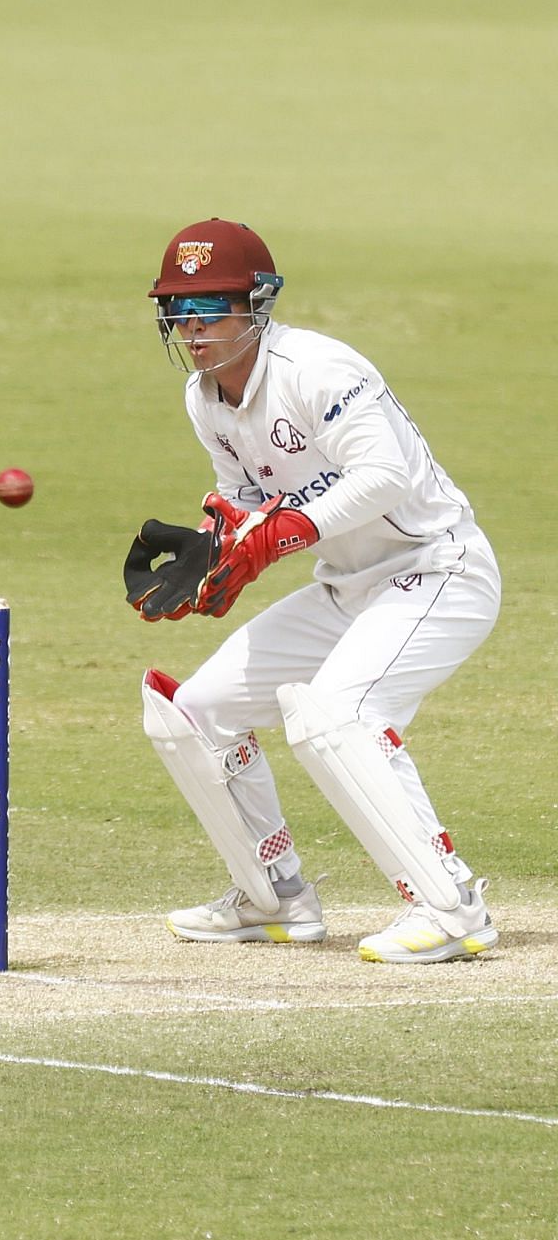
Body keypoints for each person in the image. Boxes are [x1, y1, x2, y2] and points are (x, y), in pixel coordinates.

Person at [122, 219, 499, 964]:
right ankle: (274, 896)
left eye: (210, 310)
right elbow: (247, 499)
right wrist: (220, 549)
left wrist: (277, 535)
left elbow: (384, 476)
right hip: (346, 588)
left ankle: (451, 905)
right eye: (178, 313)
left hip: (437, 569)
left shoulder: (320, 368)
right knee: (193, 714)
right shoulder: (205, 399)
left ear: (256, 304)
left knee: (337, 715)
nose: (193, 332)